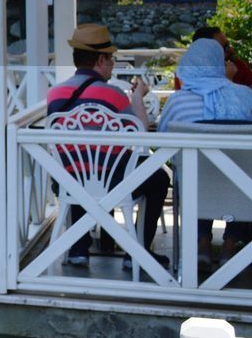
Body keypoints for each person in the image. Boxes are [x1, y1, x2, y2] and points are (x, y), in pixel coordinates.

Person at [46, 24, 171, 269]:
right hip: (112, 183)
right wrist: (137, 98)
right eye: (111, 59)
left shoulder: (55, 94)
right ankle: (137, 251)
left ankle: (78, 250)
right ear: (100, 60)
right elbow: (140, 135)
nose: (113, 64)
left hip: (67, 180)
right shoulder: (113, 94)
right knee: (158, 178)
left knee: (81, 167)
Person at [159, 37, 252, 266]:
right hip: (242, 190)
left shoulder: (177, 102)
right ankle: (230, 246)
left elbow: (163, 143)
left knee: (193, 171)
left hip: (196, 188)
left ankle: (202, 244)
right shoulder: (246, 96)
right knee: (243, 169)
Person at [186, 26, 252, 119]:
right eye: (225, 47)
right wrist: (226, 81)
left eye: (228, 45)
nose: (231, 49)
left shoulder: (237, 66)